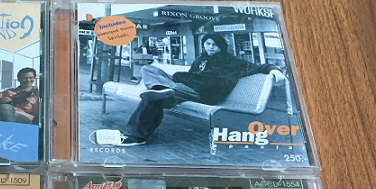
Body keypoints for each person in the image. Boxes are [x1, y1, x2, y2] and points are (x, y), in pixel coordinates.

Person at [118, 34, 286, 146]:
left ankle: (136, 135)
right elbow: (191, 74)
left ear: (221, 47)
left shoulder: (230, 61)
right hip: (182, 88)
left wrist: (274, 70)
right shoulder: (200, 59)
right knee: (148, 70)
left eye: (214, 45)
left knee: (152, 97)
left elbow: (257, 66)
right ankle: (161, 89)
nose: (210, 47)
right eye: (207, 44)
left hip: (201, 93)